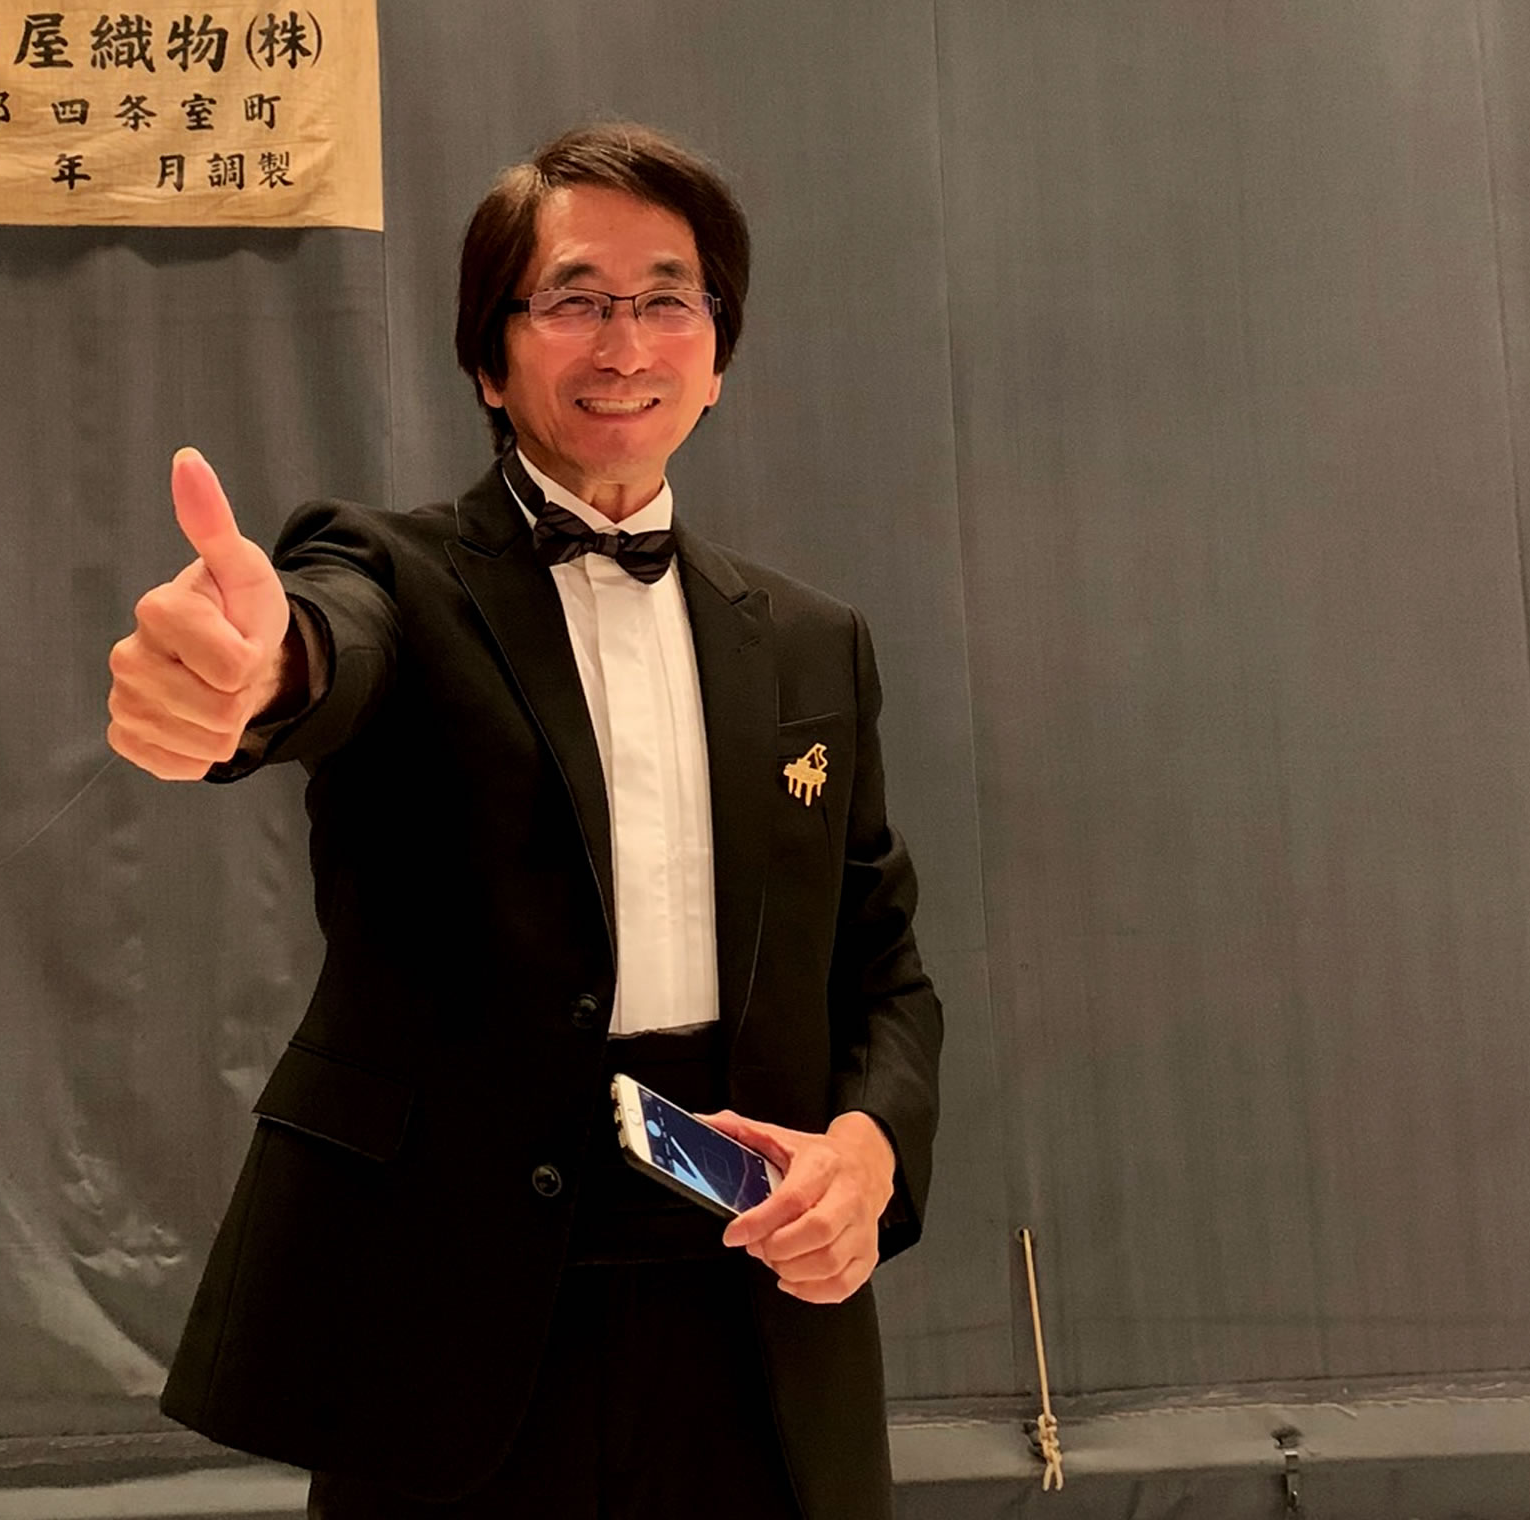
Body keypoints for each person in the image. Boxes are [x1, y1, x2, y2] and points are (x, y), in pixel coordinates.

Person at [105, 122, 943, 1520]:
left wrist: (869, 1150)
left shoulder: (813, 644)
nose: (625, 343)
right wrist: (256, 678)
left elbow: (886, 971)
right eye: (573, 299)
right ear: (489, 361)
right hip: (457, 1308)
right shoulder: (393, 574)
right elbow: (327, 645)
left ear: (718, 357)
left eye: (667, 300)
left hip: (746, 1301)